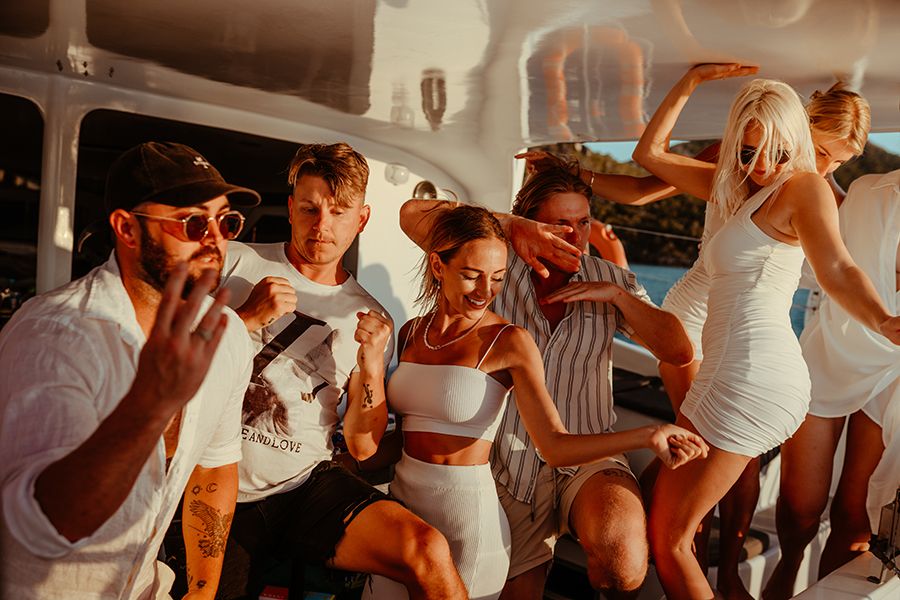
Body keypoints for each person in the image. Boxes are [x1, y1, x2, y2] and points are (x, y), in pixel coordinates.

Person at [631, 63, 900, 600]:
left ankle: (731, 575)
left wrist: (885, 320)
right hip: (720, 371)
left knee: (671, 540)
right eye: (749, 151)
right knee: (666, 532)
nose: (762, 165)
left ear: (795, 140)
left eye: (777, 151)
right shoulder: (738, 186)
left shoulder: (805, 188)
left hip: (755, 375)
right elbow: (648, 158)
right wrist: (688, 82)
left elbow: (840, 269)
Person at [365, 204, 707, 600]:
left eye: (496, 278)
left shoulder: (509, 341)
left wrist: (648, 435)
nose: (484, 292)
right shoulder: (411, 332)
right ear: (438, 267)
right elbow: (408, 432)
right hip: (406, 514)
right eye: (472, 276)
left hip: (467, 521)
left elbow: (556, 446)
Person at [0, 141, 258, 599]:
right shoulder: (56, 334)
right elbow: (41, 527)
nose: (215, 238)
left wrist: (202, 592)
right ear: (127, 228)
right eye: (193, 222)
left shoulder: (228, 335)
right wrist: (152, 403)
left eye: (226, 221)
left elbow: (213, 469)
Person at [216, 142, 467, 600]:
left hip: (304, 486)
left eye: (339, 211)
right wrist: (244, 319)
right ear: (290, 208)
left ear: (363, 219)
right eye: (310, 208)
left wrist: (371, 368)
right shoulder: (233, 261)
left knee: (426, 550)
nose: (322, 226)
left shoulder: (370, 314)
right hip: (218, 485)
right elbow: (167, 360)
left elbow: (362, 445)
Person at [763, 169, 900, 599]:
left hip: (893, 367)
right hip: (835, 350)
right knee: (801, 508)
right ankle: (788, 567)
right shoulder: (869, 190)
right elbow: (833, 253)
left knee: (854, 516)